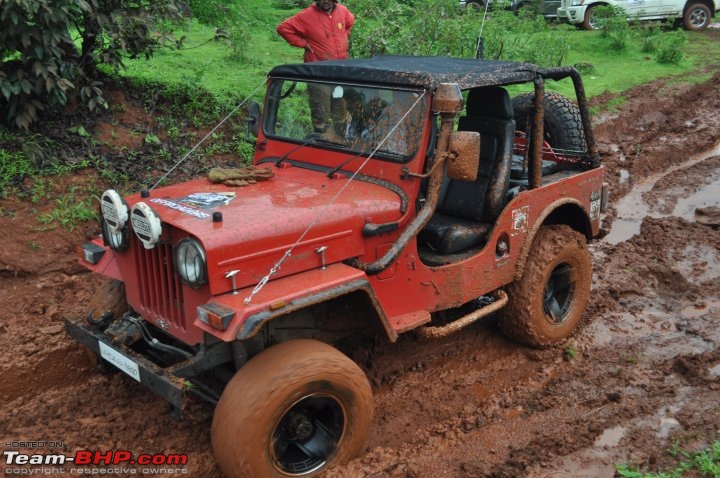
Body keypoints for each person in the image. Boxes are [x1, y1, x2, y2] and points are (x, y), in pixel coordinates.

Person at [277, 0, 355, 140]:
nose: (325, 1)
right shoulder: (306, 15)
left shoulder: (342, 11)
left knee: (340, 106)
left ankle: (341, 141)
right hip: (318, 72)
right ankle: (321, 143)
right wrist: (304, 44)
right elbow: (283, 28)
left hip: (340, 71)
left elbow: (350, 22)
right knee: (321, 108)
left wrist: (345, 35)